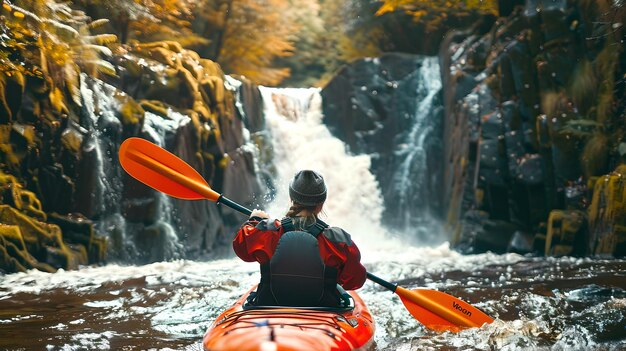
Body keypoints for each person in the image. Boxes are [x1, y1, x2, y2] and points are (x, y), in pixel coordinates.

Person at [233, 170, 367, 307]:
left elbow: (241, 248)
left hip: (270, 305)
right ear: (321, 203)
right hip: (324, 310)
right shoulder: (338, 240)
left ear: (292, 198)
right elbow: (355, 281)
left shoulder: (268, 231)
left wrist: (255, 221)